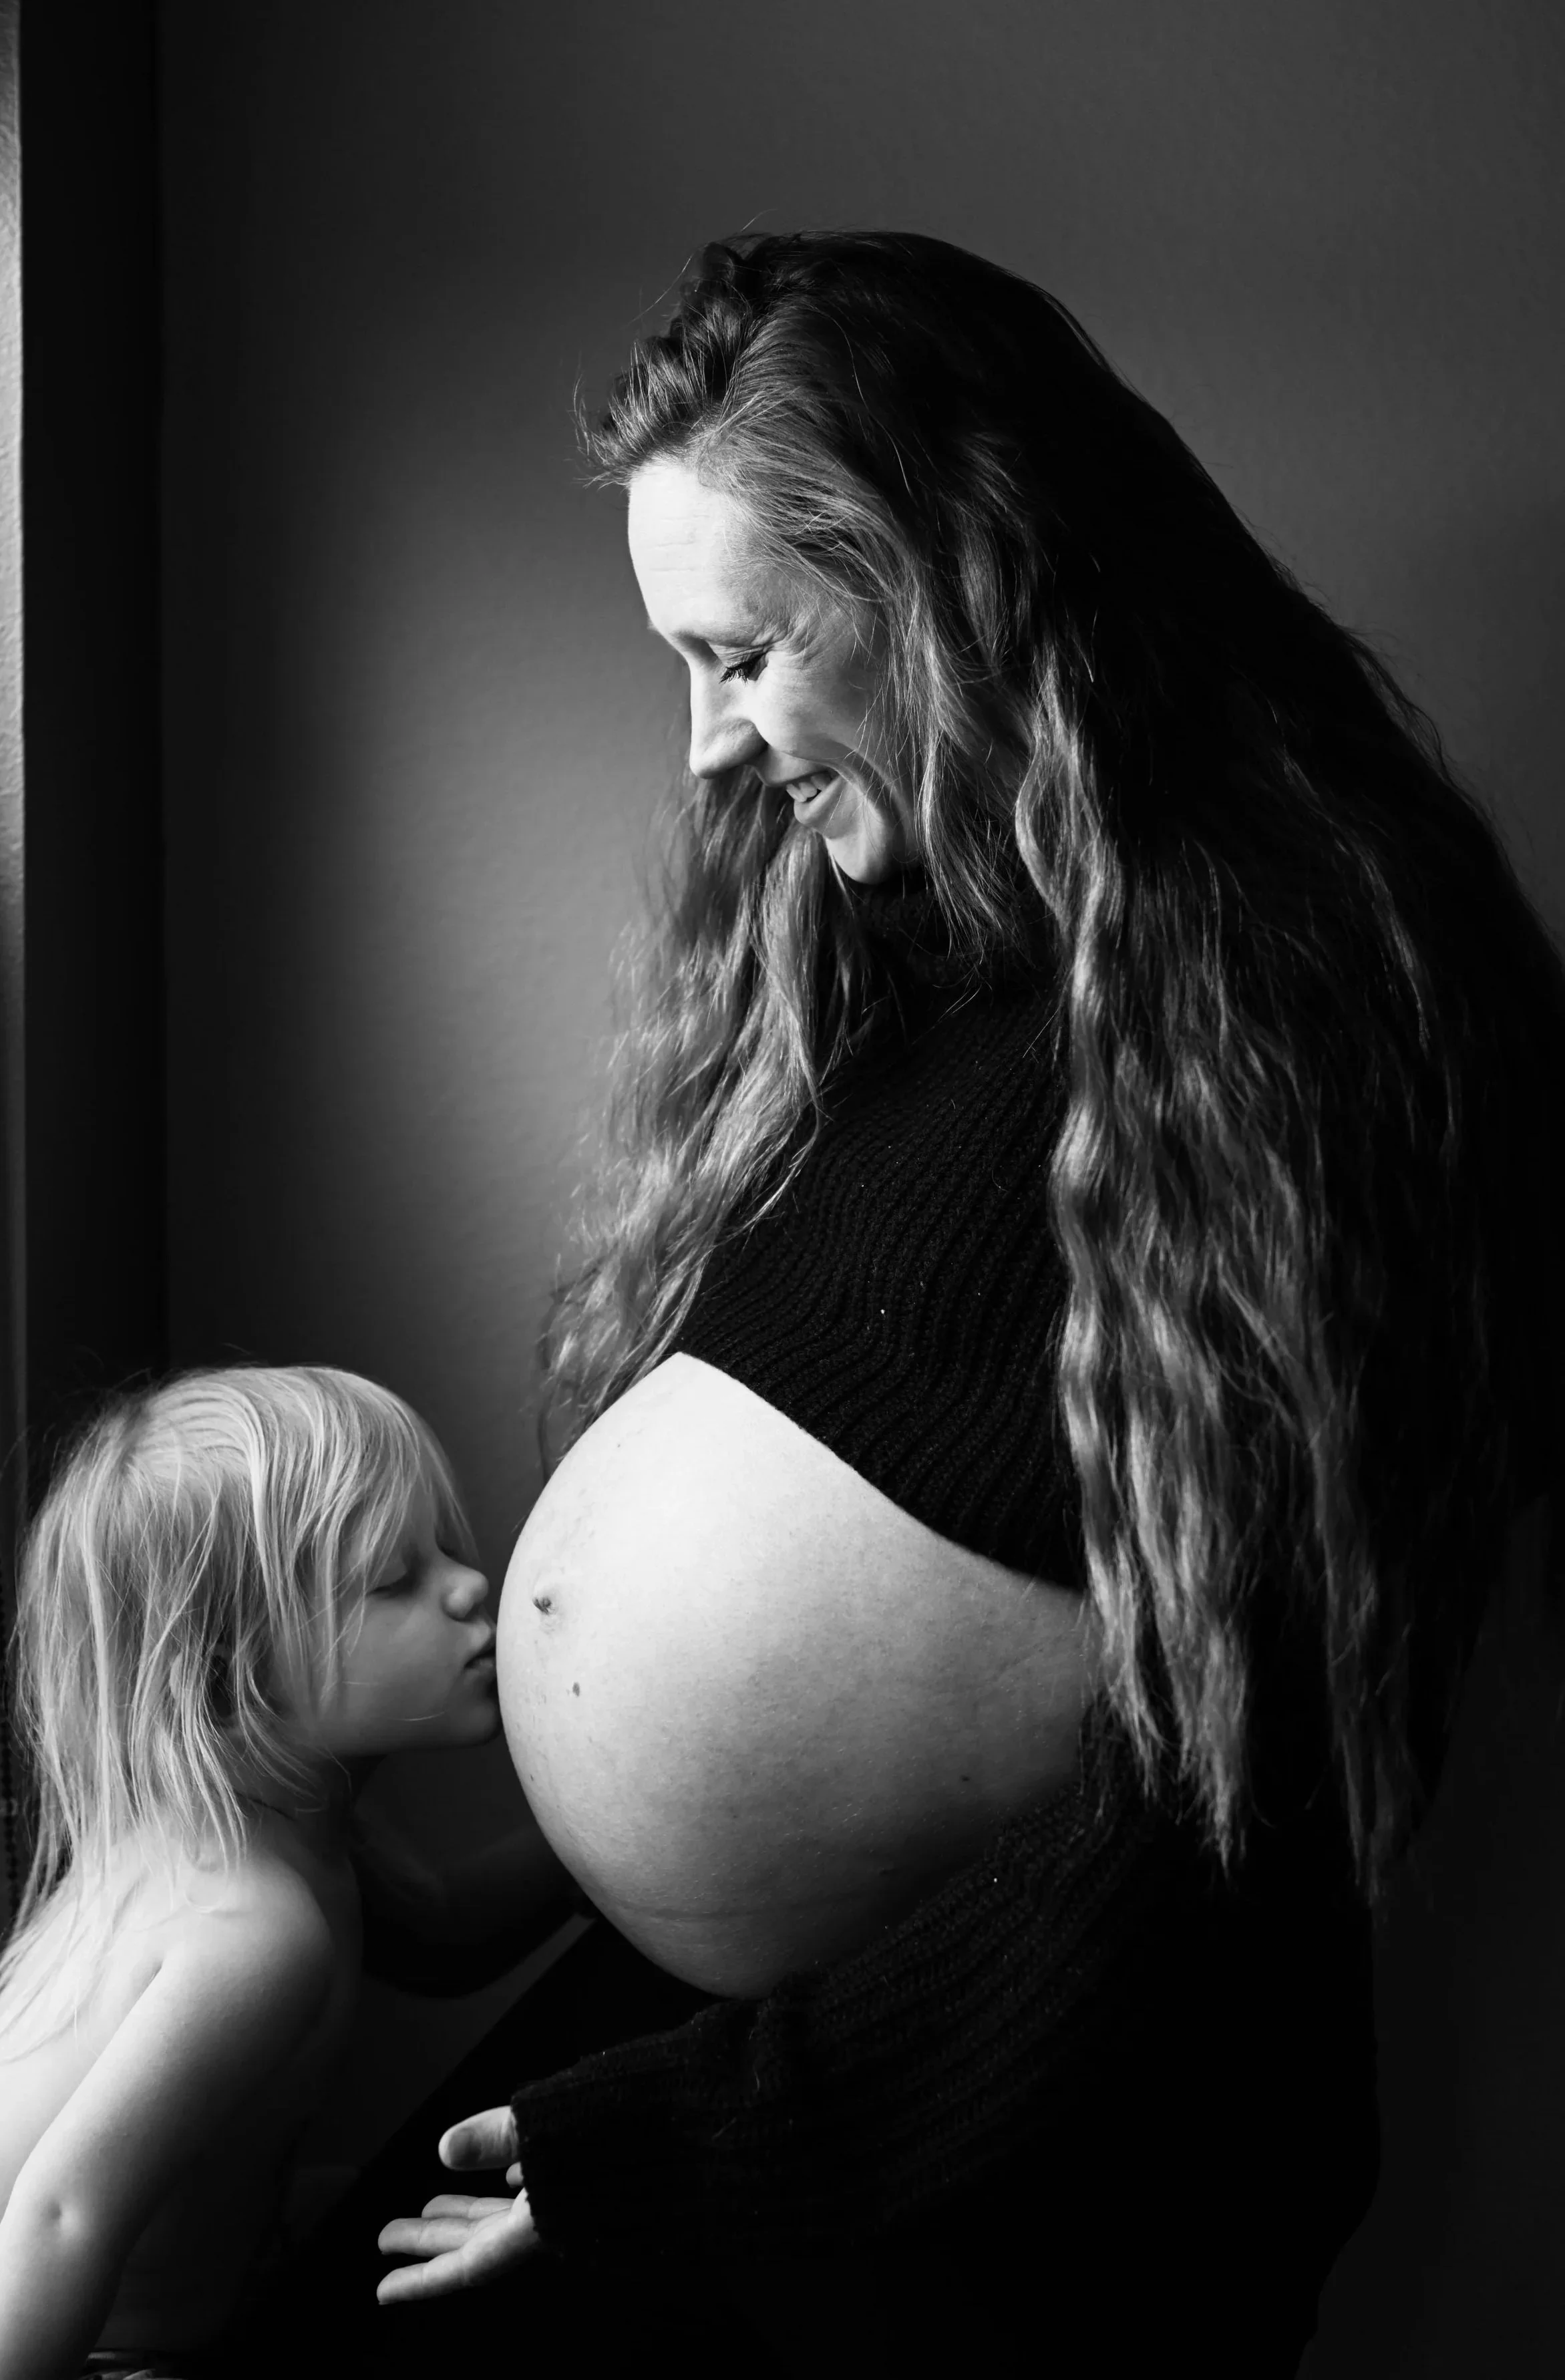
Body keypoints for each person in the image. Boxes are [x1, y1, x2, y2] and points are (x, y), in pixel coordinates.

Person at [347, 228, 1565, 2376]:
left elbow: (1220, 1838)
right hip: (788, 2055)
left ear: (949, 583)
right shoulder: (922, 943)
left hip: (1007, 2172)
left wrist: (698, 2149)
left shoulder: (1297, 999)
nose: (709, 749)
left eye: (740, 652)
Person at [0, 1365, 573, 2380]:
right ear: (234, 1671)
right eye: (394, 1580)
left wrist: (604, 1833)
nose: (468, 1583)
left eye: (443, 1546)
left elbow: (444, 1935)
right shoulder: (251, 1929)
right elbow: (59, 2213)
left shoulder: (284, 1836)